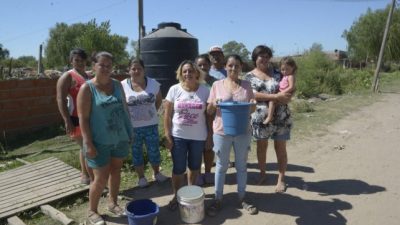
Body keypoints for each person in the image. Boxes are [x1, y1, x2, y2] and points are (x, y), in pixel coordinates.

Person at [77, 51, 133, 225]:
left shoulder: (117, 84)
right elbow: (83, 119)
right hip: (99, 141)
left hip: (119, 138)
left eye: (109, 65)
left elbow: (124, 109)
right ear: (94, 66)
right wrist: (88, 143)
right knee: (100, 178)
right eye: (102, 65)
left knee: (116, 171)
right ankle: (92, 211)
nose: (106, 68)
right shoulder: (87, 88)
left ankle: (112, 203)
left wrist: (130, 132)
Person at [206, 54, 258, 216]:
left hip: (243, 131)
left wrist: (253, 106)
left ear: (241, 67)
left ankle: (242, 197)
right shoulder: (216, 85)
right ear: (226, 67)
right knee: (221, 166)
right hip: (222, 131)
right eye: (230, 65)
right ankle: (217, 199)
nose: (233, 68)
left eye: (236, 65)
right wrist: (214, 104)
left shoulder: (246, 85)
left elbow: (252, 108)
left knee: (241, 165)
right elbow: (209, 111)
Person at [244, 45, 293, 192]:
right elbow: (251, 94)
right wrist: (275, 96)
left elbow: (288, 88)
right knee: (261, 147)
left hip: (281, 117)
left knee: (281, 148)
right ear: (255, 58)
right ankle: (263, 174)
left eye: (267, 56)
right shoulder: (249, 77)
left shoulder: (279, 73)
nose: (264, 59)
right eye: (261, 56)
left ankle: (281, 179)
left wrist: (287, 97)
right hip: (260, 119)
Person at [163, 60, 211, 211]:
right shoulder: (174, 89)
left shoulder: (205, 91)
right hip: (178, 136)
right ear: (180, 74)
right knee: (178, 168)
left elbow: (209, 116)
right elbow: (167, 114)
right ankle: (176, 196)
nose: (188, 74)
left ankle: (190, 195)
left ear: (197, 73)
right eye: (184, 71)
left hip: (198, 136)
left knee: (194, 166)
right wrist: (167, 134)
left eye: (190, 71)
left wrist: (210, 136)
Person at [121, 59, 168, 188]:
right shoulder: (123, 85)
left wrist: (150, 114)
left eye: (139, 69)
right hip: (133, 127)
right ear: (129, 70)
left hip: (151, 125)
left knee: (154, 151)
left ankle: (157, 173)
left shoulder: (153, 83)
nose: (136, 71)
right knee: (136, 152)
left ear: (144, 70)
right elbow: (123, 106)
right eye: (133, 69)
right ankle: (141, 178)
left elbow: (158, 101)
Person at [56, 48, 93, 184]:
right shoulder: (67, 77)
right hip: (75, 118)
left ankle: (87, 175)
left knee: (86, 146)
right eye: (76, 60)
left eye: (82, 60)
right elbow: (60, 99)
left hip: (90, 118)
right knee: (85, 146)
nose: (80, 62)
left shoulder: (88, 76)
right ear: (71, 61)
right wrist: (67, 120)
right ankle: (88, 177)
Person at [195, 54, 217, 185]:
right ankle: (197, 173)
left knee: (209, 147)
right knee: (196, 149)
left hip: (212, 120)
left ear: (210, 65)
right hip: (195, 121)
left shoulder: (215, 82)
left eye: (205, 64)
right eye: (200, 65)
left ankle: (208, 172)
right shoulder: (192, 81)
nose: (203, 67)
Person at [263, 57, 297, 124]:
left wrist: (281, 93)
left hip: (285, 94)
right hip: (282, 94)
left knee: (272, 101)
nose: (284, 71)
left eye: (287, 69)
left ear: (293, 68)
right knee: (272, 102)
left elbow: (291, 87)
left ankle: (270, 117)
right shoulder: (284, 76)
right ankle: (272, 116)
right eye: (282, 69)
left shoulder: (290, 76)